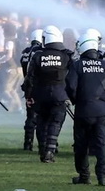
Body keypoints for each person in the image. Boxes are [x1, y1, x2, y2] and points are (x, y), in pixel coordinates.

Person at [65, 33, 105, 186]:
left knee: (81, 145)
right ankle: (102, 177)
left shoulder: (77, 65)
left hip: (83, 111)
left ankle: (84, 175)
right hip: (102, 111)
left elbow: (71, 87)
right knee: (101, 144)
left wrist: (76, 101)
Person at [23, 25, 72, 163]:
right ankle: (50, 150)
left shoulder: (38, 55)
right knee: (56, 122)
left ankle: (42, 149)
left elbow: (30, 78)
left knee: (41, 122)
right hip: (59, 94)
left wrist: (28, 96)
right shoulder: (66, 56)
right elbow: (72, 77)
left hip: (40, 94)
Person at [19, 28, 44, 151]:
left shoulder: (25, 52)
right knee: (40, 116)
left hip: (27, 85)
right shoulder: (40, 51)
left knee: (30, 115)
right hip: (38, 85)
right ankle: (43, 144)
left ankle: (27, 143)